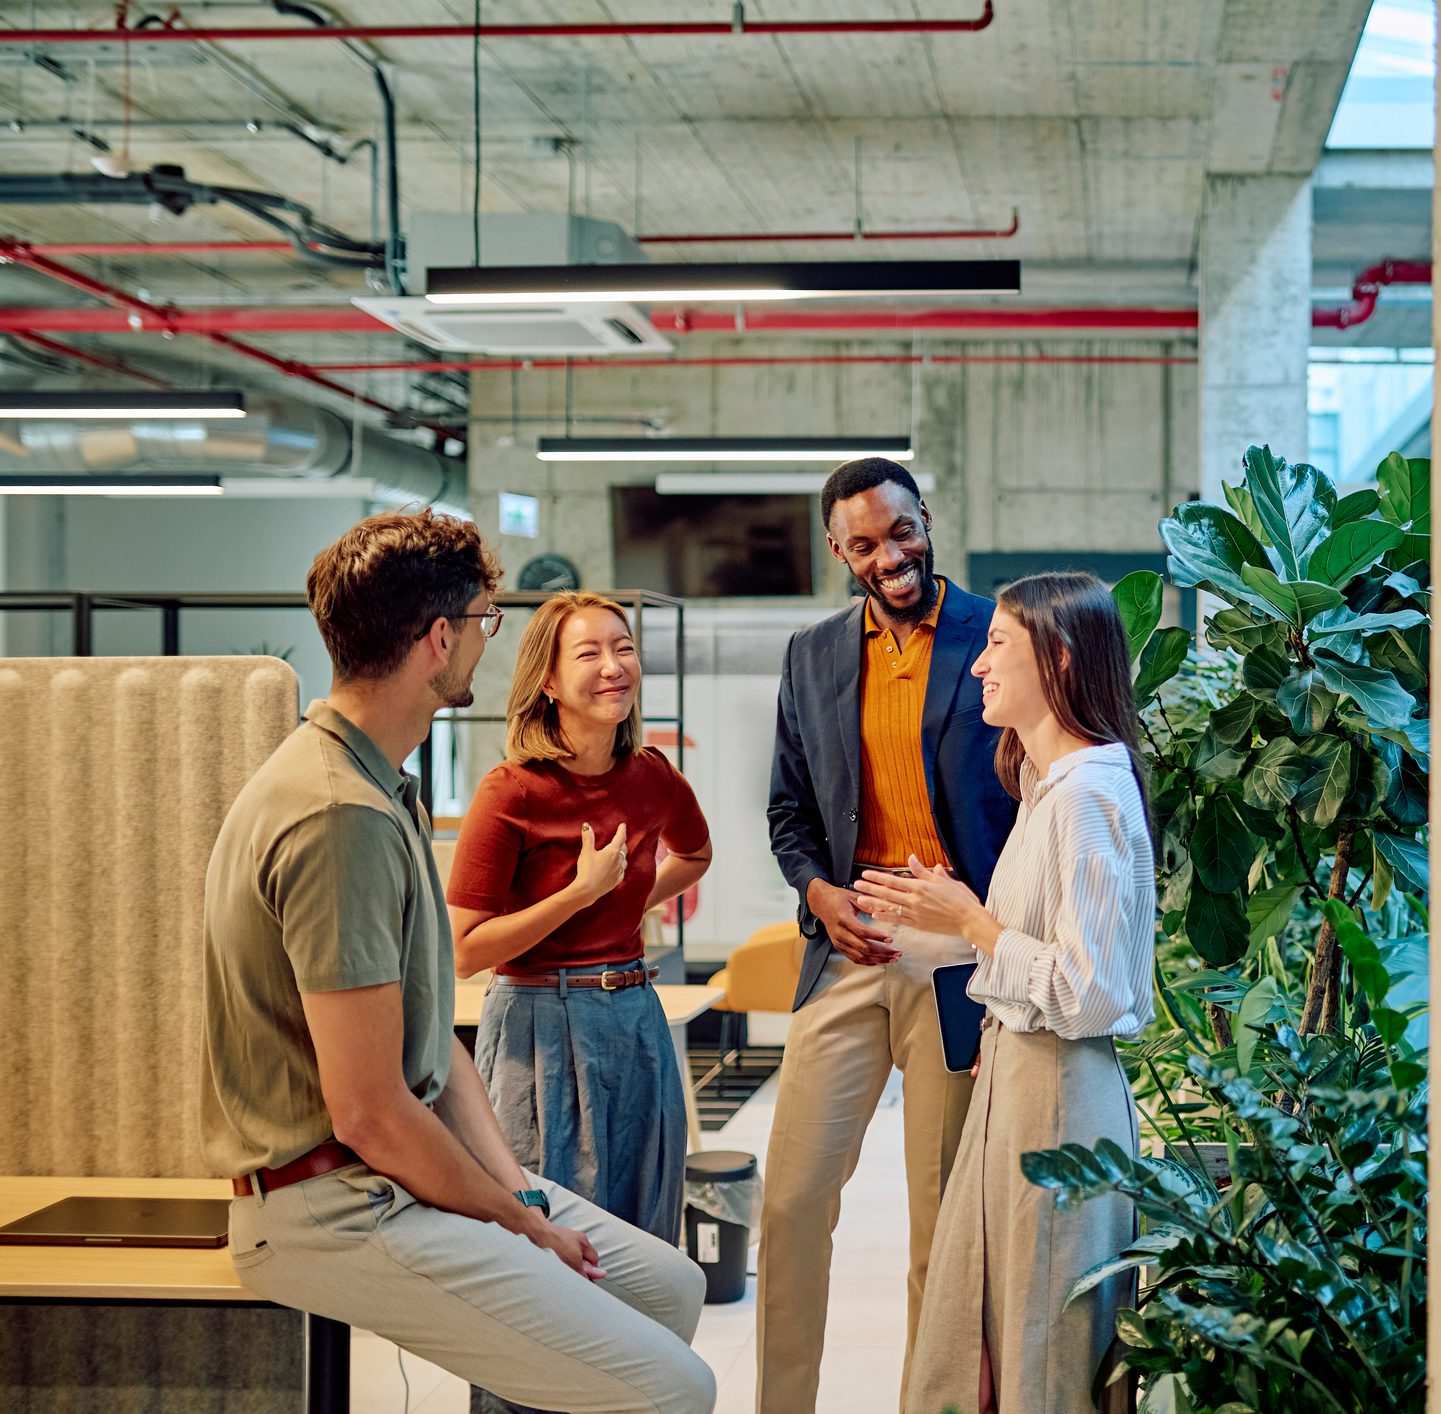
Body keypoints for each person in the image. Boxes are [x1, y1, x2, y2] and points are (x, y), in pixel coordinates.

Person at [199, 511, 716, 1413]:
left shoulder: (374, 783)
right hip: (334, 1206)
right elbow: (370, 1110)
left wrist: (518, 1191)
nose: (489, 640)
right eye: (486, 620)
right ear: (440, 639)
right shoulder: (338, 815)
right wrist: (514, 1223)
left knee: (669, 1288)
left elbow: (431, 1050)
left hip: (380, 1175)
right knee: (675, 1387)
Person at [856, 572, 1157, 1414]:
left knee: (1041, 1345)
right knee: (999, 1326)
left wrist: (977, 927)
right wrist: (950, 920)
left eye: (998, 644)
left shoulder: (1086, 797)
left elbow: (1089, 993)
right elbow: (1050, 956)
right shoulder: (1050, 789)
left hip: (1058, 1093)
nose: (979, 664)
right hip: (1024, 1081)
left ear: (1057, 659)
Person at [759, 457, 1020, 1414]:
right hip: (849, 949)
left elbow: (1033, 797)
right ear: (839, 552)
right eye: (864, 544)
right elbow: (788, 814)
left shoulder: (997, 632)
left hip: (955, 960)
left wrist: (989, 926)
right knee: (789, 1204)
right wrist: (818, 894)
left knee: (938, 1224)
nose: (890, 556)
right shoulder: (814, 654)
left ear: (924, 520)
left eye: (900, 531)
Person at [447, 591, 716, 1414]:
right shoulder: (511, 792)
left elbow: (696, 853)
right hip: (538, 1025)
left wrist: (628, 901)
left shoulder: (651, 777)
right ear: (549, 682)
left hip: (634, 1018)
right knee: (543, 1258)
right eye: (589, 654)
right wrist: (580, 895)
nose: (614, 666)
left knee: (640, 1238)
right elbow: (464, 948)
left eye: (623, 648)